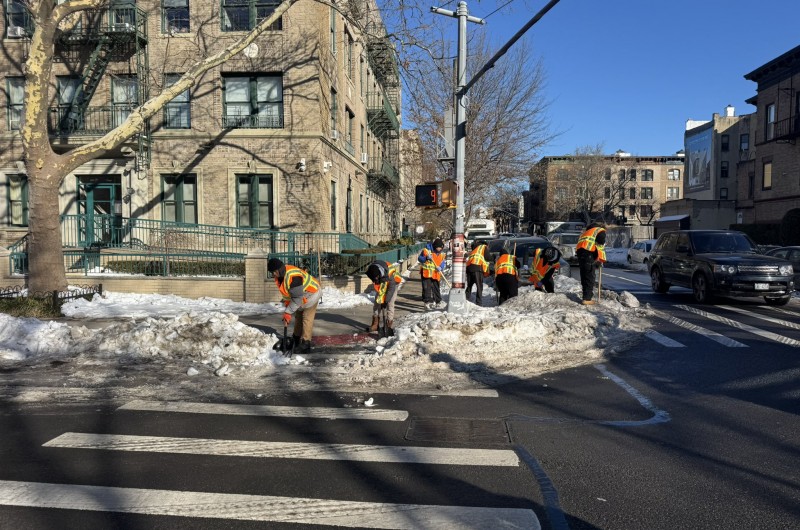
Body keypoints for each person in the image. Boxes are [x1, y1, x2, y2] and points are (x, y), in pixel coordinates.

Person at [268, 257, 321, 353]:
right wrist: (288, 307)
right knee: (298, 316)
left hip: (312, 293)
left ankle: (306, 343)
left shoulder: (294, 277)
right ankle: (296, 339)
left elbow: (297, 299)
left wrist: (288, 312)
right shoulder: (280, 277)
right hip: (301, 296)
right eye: (272, 272)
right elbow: (288, 294)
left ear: (279, 269)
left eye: (274, 272)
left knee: (306, 317)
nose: (273, 275)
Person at [365, 260, 403, 335]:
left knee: (390, 303)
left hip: (393, 284)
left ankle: (388, 325)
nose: (374, 280)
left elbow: (391, 289)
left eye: (375, 278)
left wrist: (386, 301)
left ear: (379, 275)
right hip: (383, 282)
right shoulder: (373, 269)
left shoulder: (389, 274)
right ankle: (375, 324)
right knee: (377, 303)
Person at [575, 222, 607, 305]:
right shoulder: (600, 230)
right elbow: (600, 242)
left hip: (581, 254)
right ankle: (587, 299)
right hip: (588, 254)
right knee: (590, 276)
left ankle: (586, 297)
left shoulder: (586, 233)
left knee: (584, 276)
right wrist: (600, 259)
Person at [418, 238, 447, 309]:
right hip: (426, 273)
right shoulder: (427, 251)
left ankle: (438, 301)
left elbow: (443, 262)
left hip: (436, 273)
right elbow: (420, 258)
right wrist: (426, 258)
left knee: (436, 288)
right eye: (438, 247)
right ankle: (426, 302)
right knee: (426, 288)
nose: (439, 249)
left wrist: (441, 267)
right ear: (434, 246)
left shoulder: (442, 253)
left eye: (440, 247)